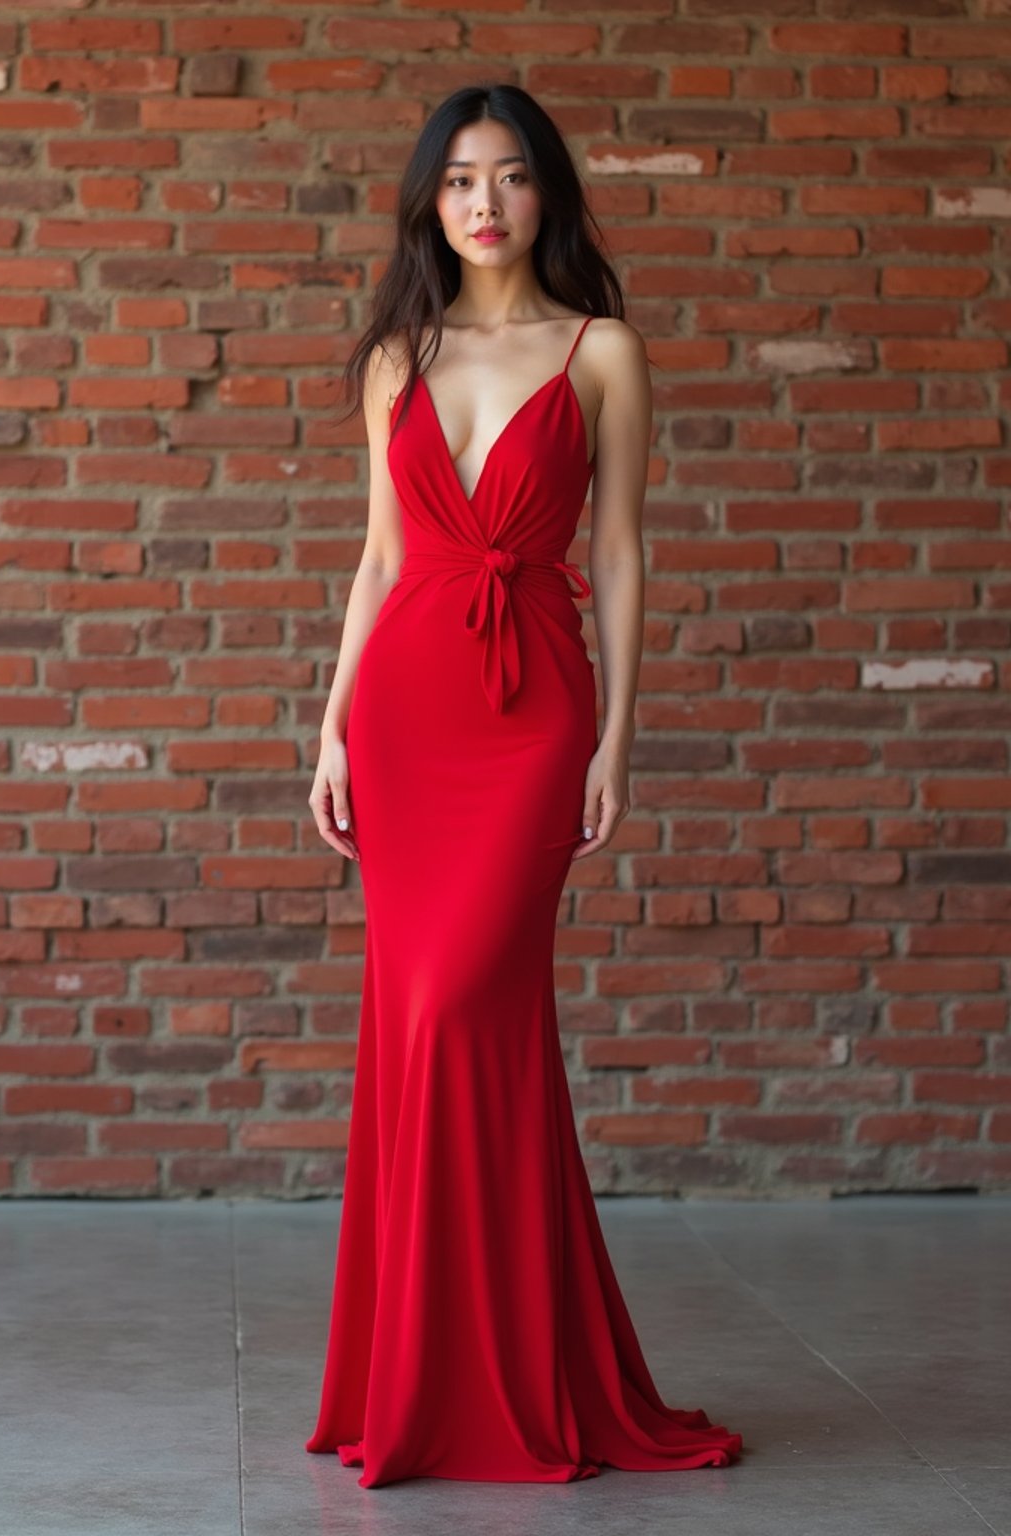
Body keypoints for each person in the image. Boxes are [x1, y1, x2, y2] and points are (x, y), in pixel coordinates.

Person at [303, 82, 743, 1489]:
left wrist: (618, 738)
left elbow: (617, 554)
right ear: (431, 203)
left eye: (509, 177)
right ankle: (432, 1374)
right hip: (408, 705)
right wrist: (330, 730)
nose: (483, 202)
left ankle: (493, 1370)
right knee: (433, 1025)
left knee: (465, 1010)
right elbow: (376, 561)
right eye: (457, 181)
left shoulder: (602, 349)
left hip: (535, 705)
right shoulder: (398, 356)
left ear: (547, 194)